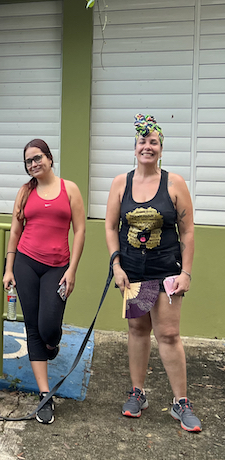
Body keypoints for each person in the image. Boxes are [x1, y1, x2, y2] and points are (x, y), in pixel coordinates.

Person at [105, 115, 201, 432]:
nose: (147, 147)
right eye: (142, 142)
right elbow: (110, 227)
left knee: (169, 334)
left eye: (153, 142)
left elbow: (187, 232)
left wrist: (186, 272)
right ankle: (138, 393)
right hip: (134, 273)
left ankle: (180, 403)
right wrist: (117, 265)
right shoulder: (122, 183)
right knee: (137, 330)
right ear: (135, 148)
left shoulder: (174, 184)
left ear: (161, 149)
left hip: (166, 271)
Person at [2, 138, 86, 425]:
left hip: (57, 267)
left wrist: (72, 270)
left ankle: (52, 345)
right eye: (28, 161)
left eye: (38, 158)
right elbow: (15, 232)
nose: (34, 164)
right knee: (32, 328)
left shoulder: (70, 189)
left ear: (50, 158)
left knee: (49, 327)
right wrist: (9, 268)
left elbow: (81, 231)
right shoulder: (25, 193)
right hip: (25, 262)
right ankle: (45, 394)